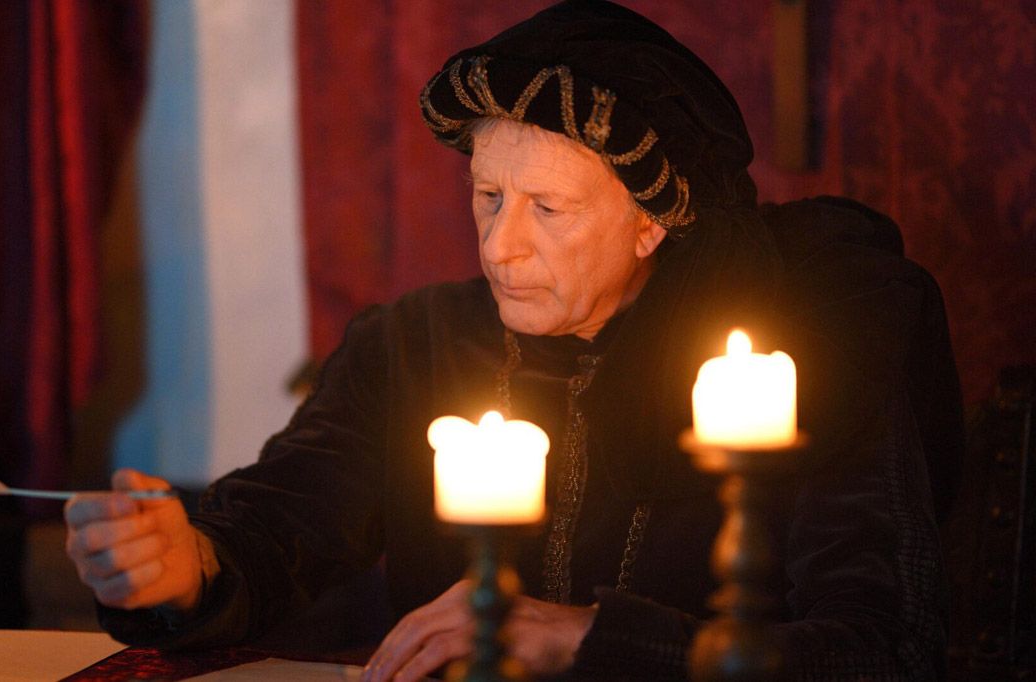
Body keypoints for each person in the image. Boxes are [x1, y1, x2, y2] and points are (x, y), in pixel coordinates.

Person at [64, 1, 963, 679]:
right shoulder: (412, 345)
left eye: (549, 209)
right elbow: (281, 524)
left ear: (651, 222)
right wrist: (189, 567)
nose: (500, 247)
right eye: (488, 198)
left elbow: (884, 647)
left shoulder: (799, 361)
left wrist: (586, 637)